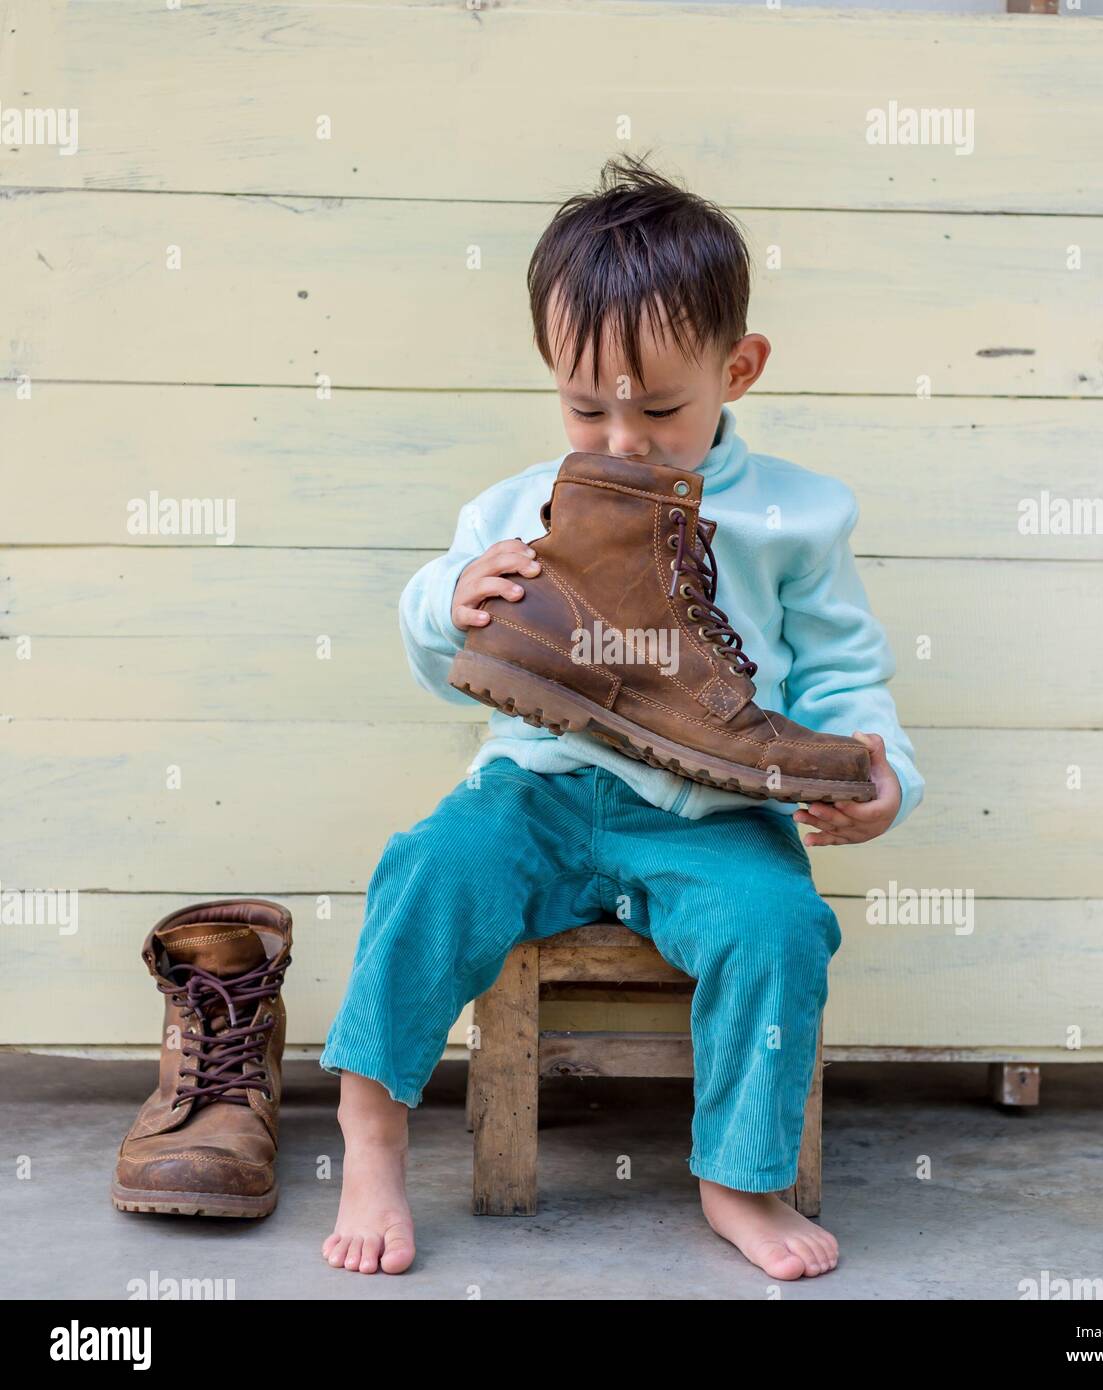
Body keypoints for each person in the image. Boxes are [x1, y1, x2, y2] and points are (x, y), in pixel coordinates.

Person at [319, 153, 924, 1279]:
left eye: (659, 408)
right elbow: (437, 641)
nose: (620, 442)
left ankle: (739, 1178)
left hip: (714, 808)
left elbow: (843, 671)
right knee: (429, 866)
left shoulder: (798, 513)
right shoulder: (521, 502)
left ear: (737, 367)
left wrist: (876, 775)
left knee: (779, 925)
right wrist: (450, 604)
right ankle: (372, 1134)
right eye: (585, 406)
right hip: (538, 787)